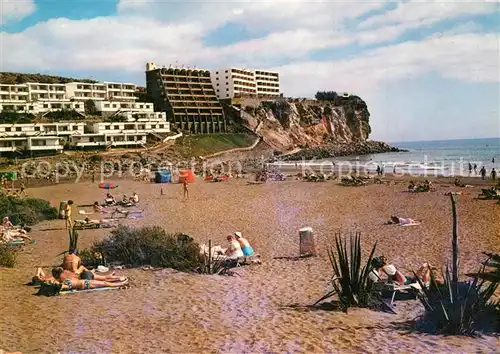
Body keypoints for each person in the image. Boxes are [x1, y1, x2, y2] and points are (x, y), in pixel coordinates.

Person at [51, 267, 128, 291]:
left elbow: (66, 287)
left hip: (85, 282)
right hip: (85, 282)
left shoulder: (62, 281)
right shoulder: (66, 275)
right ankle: (121, 283)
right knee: (104, 282)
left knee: (104, 282)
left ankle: (121, 283)